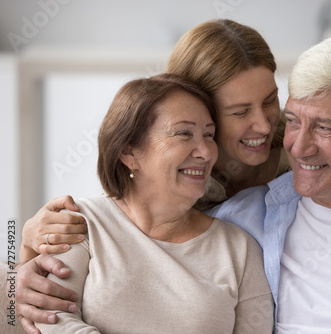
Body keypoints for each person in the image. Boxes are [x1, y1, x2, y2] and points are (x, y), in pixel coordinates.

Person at [16, 20, 331, 333]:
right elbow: (109, 227)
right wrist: (23, 247)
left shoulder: (303, 161)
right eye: (239, 111)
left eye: (271, 102)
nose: (267, 127)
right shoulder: (180, 192)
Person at [29, 73, 274, 333]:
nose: (204, 152)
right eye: (183, 133)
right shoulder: (82, 222)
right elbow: (52, 317)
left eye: (209, 135)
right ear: (129, 152)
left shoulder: (239, 249)